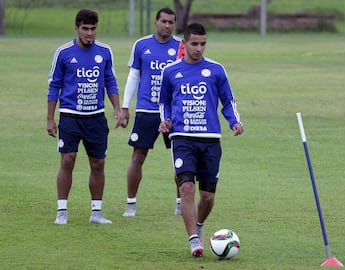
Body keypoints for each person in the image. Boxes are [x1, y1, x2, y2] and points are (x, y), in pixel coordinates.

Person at [158, 22, 244, 257]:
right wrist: (165, 120)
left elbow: (228, 100)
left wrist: (234, 121)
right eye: (194, 44)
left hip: (210, 139)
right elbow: (164, 102)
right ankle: (194, 240)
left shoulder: (216, 70)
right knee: (186, 187)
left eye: (202, 44)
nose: (198, 48)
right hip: (182, 138)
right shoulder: (171, 71)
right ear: (184, 44)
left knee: (207, 197)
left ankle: (199, 224)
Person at [47, 9, 122, 225]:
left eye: (93, 29)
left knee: (98, 163)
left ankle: (96, 212)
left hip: (96, 117)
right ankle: (62, 210)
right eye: (85, 29)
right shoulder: (63, 52)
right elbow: (54, 86)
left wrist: (117, 108)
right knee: (68, 159)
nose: (89, 33)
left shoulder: (105, 51)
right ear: (77, 28)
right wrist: (50, 119)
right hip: (70, 116)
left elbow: (111, 81)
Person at [119, 8, 183, 217]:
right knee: (138, 155)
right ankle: (131, 204)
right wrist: (125, 106)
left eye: (170, 22)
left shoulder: (182, 46)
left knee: (180, 157)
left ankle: (181, 203)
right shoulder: (141, 45)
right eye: (163, 21)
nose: (166, 25)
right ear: (156, 22)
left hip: (173, 112)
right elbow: (134, 76)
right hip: (147, 109)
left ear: (174, 24)